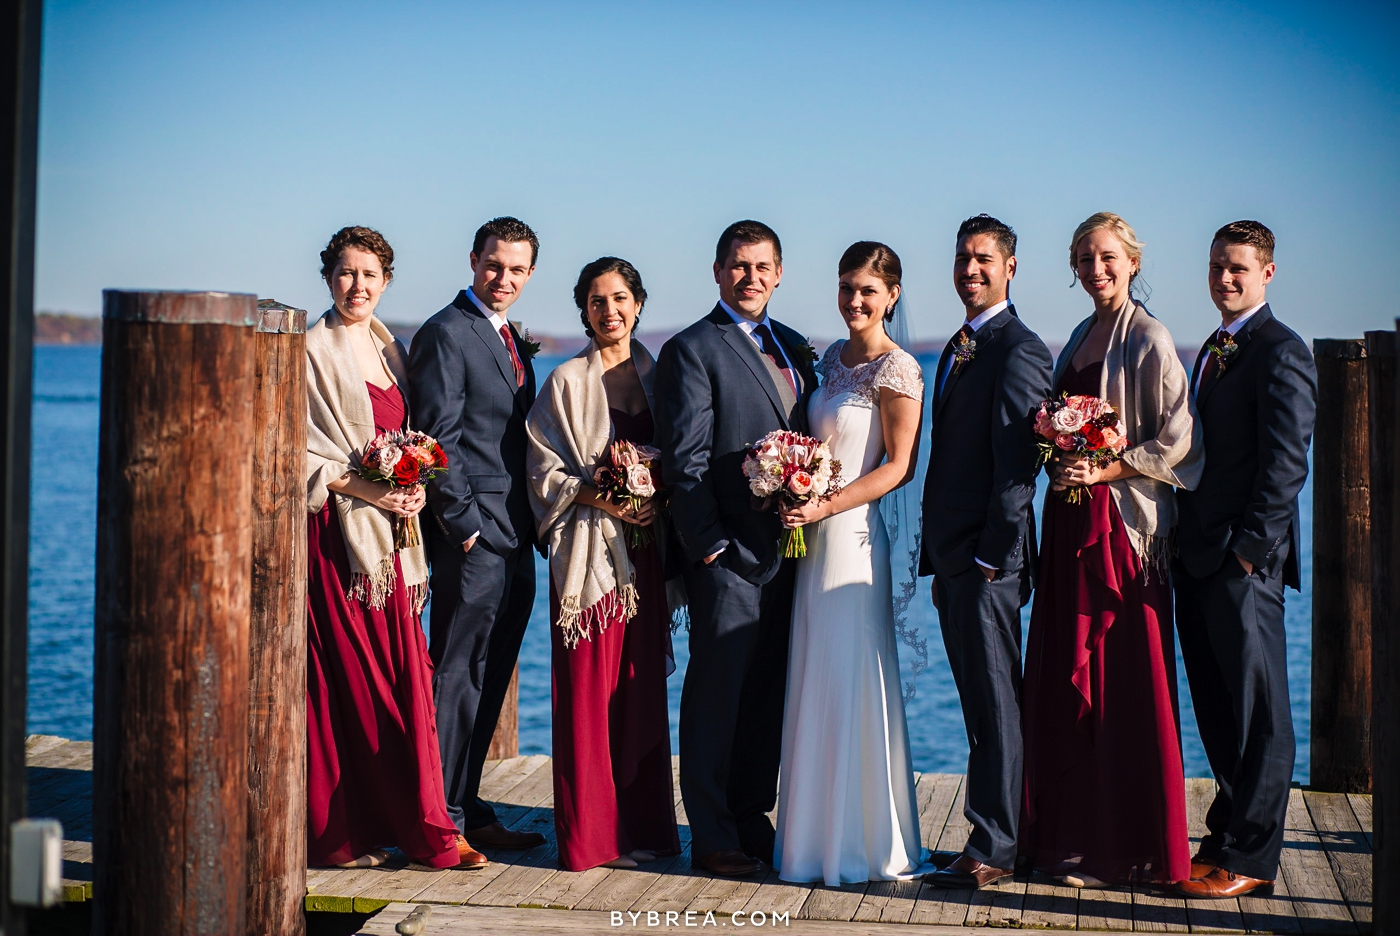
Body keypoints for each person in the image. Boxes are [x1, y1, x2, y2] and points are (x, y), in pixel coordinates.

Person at [1019, 212, 1202, 888]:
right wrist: (1059, 457)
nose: (1096, 269)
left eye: (1107, 257)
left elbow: (1179, 440)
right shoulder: (1077, 336)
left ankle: (1129, 847)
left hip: (1121, 532)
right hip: (1070, 524)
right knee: (1067, 684)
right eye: (1084, 259)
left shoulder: (1149, 337)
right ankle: (1070, 838)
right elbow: (1059, 427)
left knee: (1121, 684)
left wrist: (1105, 468)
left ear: (1131, 261)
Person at [305, 225, 485, 871]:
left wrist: (413, 487)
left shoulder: (392, 350)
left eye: (370, 275)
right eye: (347, 273)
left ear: (386, 281)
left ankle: (415, 825)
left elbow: (411, 438)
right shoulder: (310, 350)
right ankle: (347, 833)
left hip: (394, 542)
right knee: (356, 686)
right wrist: (371, 490)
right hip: (339, 540)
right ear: (329, 277)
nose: (358, 286)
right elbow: (294, 450)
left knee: (405, 681)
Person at [654, 220, 819, 877]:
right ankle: (713, 833)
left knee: (766, 694)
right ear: (718, 271)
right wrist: (710, 547)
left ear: (779, 274)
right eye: (738, 266)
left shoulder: (796, 347)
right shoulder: (692, 349)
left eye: (762, 267)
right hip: (727, 556)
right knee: (717, 696)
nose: (751, 278)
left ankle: (753, 818)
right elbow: (685, 461)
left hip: (789, 554)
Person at [772, 242, 926, 885]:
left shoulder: (899, 370)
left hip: (853, 541)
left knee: (851, 674)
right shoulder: (830, 360)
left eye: (867, 290)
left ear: (891, 295)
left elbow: (898, 466)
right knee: (812, 675)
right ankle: (808, 839)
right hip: (810, 540)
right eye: (845, 288)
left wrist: (824, 505)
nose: (854, 300)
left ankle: (859, 842)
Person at [524, 257, 682, 871]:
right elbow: (541, 470)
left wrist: (655, 488)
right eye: (596, 301)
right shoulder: (565, 381)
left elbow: (686, 452)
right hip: (589, 559)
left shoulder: (662, 377)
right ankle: (591, 839)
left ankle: (645, 829)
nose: (609, 311)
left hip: (646, 555)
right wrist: (601, 493)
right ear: (584, 311)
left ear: (638, 304)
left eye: (619, 298)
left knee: (639, 693)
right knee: (588, 693)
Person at [1174, 221, 1316, 899]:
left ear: (1267, 273)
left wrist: (1249, 556)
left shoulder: (1281, 350)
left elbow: (1287, 465)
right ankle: (1226, 833)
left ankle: (1252, 860)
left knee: (1262, 714)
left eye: (1237, 268)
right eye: (1215, 267)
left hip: (1242, 564)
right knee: (1219, 707)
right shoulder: (1215, 347)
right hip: (1198, 556)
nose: (1224, 279)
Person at [920, 215, 1053, 889]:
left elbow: (1018, 468)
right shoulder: (962, 344)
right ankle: (988, 833)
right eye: (963, 257)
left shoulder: (1018, 348)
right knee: (977, 700)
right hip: (954, 557)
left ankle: (997, 847)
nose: (970, 270)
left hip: (985, 561)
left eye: (984, 260)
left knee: (996, 701)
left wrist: (988, 559)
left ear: (1010, 268)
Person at [407, 217, 547, 851]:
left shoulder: (507, 334)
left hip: (516, 532)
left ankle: (468, 800)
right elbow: (439, 435)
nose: (504, 278)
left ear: (530, 273)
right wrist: (461, 526)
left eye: (517, 269)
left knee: (492, 674)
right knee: (457, 674)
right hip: (475, 535)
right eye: (494, 265)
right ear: (472, 260)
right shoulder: (445, 332)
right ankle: (440, 821)